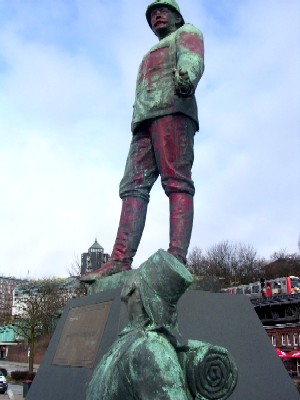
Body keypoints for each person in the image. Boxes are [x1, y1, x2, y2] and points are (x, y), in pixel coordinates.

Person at [83, 0, 204, 281]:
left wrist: (187, 76)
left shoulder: (187, 33)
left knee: (177, 180)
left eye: (162, 11)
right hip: (144, 122)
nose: (156, 16)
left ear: (176, 16)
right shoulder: (149, 51)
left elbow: (192, 59)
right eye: (152, 14)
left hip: (173, 110)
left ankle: (177, 255)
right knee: (132, 187)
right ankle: (120, 260)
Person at [86, 250, 194, 400]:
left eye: (138, 272)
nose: (130, 275)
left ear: (138, 287)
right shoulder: (131, 338)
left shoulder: (151, 350)